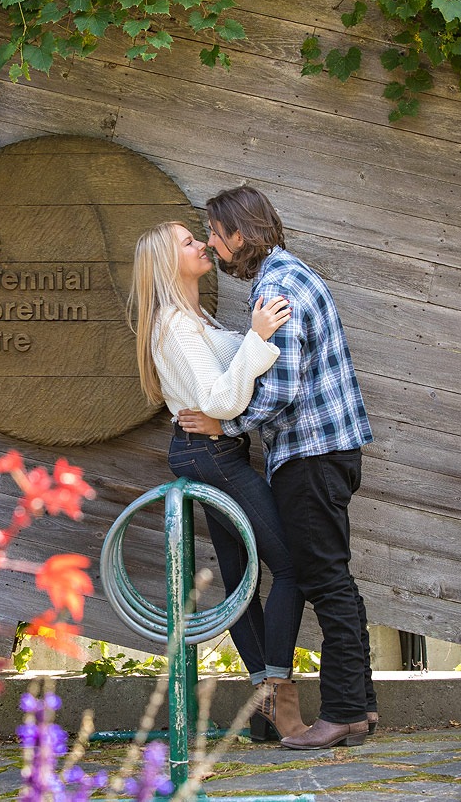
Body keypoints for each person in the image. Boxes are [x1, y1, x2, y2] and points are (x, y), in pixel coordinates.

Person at [177, 186, 377, 750]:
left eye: (215, 234)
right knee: (334, 576)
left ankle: (339, 715)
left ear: (239, 234)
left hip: (311, 455)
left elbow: (282, 390)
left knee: (326, 580)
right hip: (327, 451)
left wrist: (226, 428)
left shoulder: (279, 285)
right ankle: (359, 709)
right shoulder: (288, 275)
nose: (214, 246)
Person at [130, 221, 308, 741]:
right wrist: (256, 337)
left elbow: (226, 374)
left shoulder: (192, 317)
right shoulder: (175, 326)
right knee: (290, 566)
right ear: (169, 263)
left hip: (211, 451)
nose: (203, 244)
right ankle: (278, 693)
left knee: (241, 580)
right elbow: (223, 401)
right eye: (189, 242)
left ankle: (263, 706)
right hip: (212, 456)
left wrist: (251, 340)